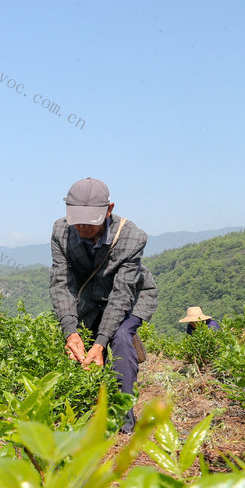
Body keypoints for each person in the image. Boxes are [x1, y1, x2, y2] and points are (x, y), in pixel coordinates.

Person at [49, 177, 158, 433]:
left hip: (131, 298)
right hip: (91, 299)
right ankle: (90, 415)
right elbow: (60, 283)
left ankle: (124, 423)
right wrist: (70, 330)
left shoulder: (132, 237)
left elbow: (122, 294)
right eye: (77, 219)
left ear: (109, 209)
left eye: (91, 219)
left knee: (120, 338)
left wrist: (101, 342)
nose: (83, 226)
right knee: (79, 349)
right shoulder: (60, 231)